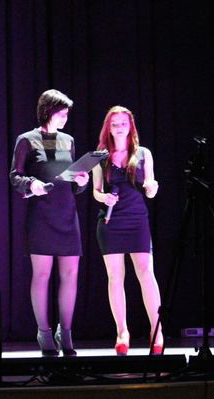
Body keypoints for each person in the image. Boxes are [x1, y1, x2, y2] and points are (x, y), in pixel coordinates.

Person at [10, 89, 89, 356]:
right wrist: (32, 184)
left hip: (67, 214)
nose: (65, 117)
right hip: (41, 215)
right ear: (47, 111)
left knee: (70, 274)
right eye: (61, 113)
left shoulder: (68, 140)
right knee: (42, 275)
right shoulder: (27, 140)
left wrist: (82, 181)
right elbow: (15, 176)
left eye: (67, 113)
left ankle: (65, 332)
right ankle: (43, 332)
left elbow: (73, 182)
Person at [91, 105, 163, 356]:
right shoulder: (100, 156)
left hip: (136, 219)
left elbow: (150, 189)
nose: (119, 127)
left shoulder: (143, 153)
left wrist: (152, 187)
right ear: (108, 128)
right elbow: (96, 191)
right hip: (110, 222)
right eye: (114, 124)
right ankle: (122, 332)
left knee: (146, 273)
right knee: (115, 277)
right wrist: (104, 198)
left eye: (123, 123)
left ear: (130, 126)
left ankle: (157, 330)